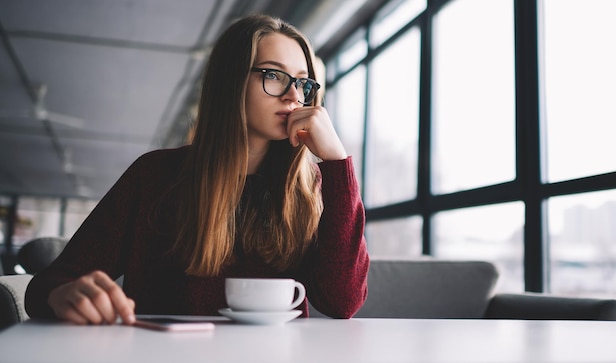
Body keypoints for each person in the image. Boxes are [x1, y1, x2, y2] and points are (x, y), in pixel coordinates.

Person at [24, 14, 369, 325]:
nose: (294, 94)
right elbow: (50, 285)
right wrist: (63, 295)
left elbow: (343, 302)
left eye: (304, 83)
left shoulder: (308, 188)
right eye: (274, 75)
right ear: (231, 81)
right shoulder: (156, 175)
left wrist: (337, 163)